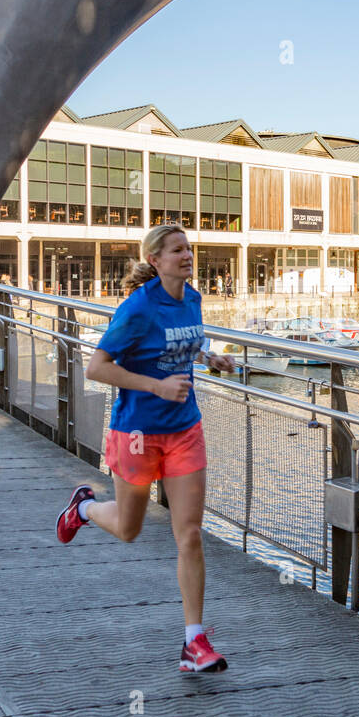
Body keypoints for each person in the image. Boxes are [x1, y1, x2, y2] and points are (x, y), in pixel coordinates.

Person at [54, 223, 237, 673]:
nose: (187, 255)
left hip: (184, 429)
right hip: (136, 431)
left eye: (189, 248)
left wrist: (208, 357)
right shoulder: (137, 309)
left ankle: (193, 641)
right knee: (130, 528)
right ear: (155, 260)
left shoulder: (191, 298)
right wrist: (156, 386)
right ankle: (84, 509)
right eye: (177, 250)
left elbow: (181, 344)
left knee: (189, 533)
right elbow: (97, 367)